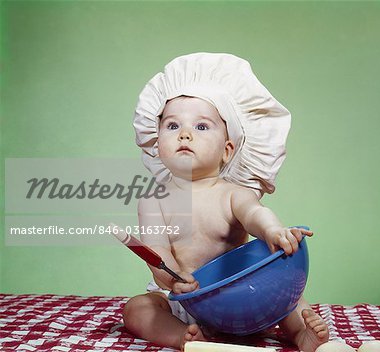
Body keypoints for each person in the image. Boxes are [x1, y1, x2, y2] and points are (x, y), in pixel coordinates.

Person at [122, 53, 329, 352]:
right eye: (171, 125)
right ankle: (184, 337)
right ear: (156, 142)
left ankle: (303, 336)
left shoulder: (233, 193)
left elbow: (255, 214)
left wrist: (274, 232)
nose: (185, 134)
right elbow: (157, 251)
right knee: (138, 308)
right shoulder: (154, 200)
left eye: (202, 127)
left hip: (244, 296)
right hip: (186, 300)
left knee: (290, 296)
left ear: (228, 150)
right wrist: (170, 278)